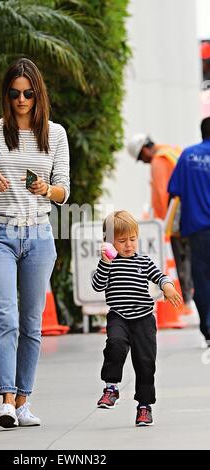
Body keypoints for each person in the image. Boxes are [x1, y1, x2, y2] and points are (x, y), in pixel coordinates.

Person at [0, 58, 70, 428]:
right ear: (7, 95)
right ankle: (5, 401)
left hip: (38, 234)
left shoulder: (55, 134)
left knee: (32, 324)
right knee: (6, 317)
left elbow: (64, 191)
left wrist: (45, 188)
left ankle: (23, 402)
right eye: (15, 93)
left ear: (39, 95)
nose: (21, 100)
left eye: (29, 93)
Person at [91, 210, 182, 426]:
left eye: (132, 239)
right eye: (122, 241)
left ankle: (144, 406)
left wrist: (167, 286)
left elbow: (159, 275)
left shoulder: (143, 260)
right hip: (118, 316)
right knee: (115, 345)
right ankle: (111, 388)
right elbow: (97, 285)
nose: (129, 245)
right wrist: (105, 263)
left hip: (143, 318)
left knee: (145, 363)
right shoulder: (109, 264)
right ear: (109, 241)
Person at [127, 134, 193, 310]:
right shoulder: (172, 151)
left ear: (145, 149)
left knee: (181, 257)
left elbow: (163, 193)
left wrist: (165, 224)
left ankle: (186, 301)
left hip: (176, 218)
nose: (144, 162)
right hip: (192, 213)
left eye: (141, 158)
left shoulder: (158, 161)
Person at [168, 117, 210, 348]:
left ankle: (208, 329)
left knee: (202, 281)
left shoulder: (188, 156)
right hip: (199, 229)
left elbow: (174, 190)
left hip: (197, 231)